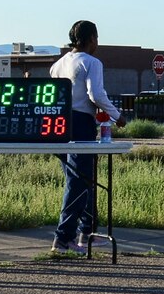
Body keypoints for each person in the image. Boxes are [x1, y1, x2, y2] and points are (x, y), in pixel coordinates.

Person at [49, 19, 122, 255]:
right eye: (97, 38)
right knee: (78, 183)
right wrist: (117, 116)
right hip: (81, 122)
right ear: (92, 38)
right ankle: (63, 239)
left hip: (58, 124)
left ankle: (87, 231)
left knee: (82, 180)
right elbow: (96, 94)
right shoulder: (92, 62)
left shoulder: (58, 65)